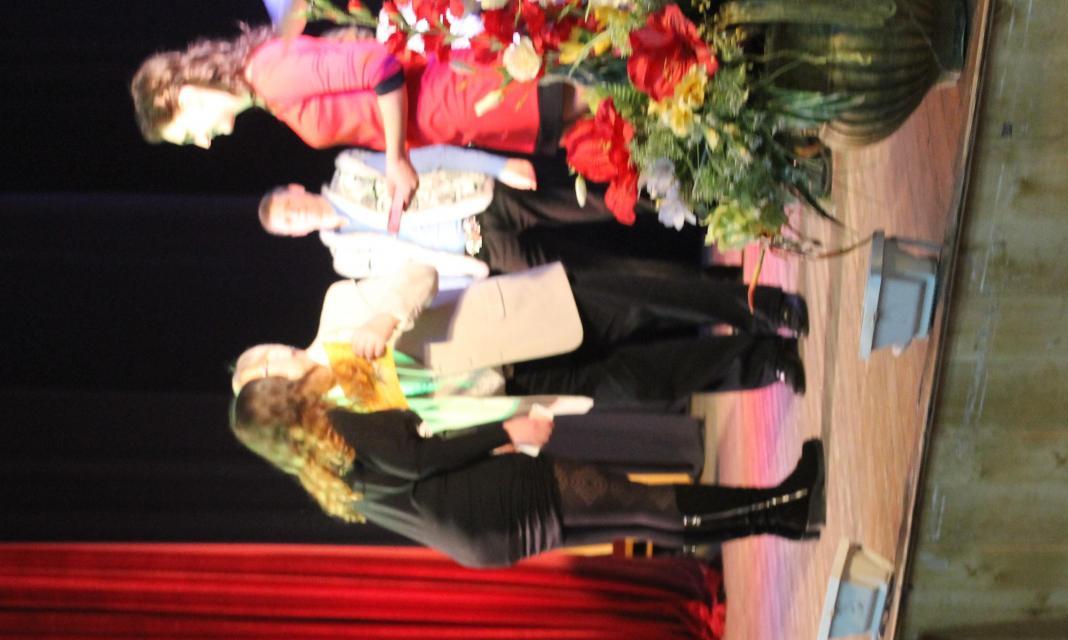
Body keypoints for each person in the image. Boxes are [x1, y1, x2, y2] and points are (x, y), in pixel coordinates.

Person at [230, 366, 827, 568]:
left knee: (641, 517)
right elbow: (421, 457)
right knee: (648, 505)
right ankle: (783, 505)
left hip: (483, 534)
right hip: (499, 500)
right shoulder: (338, 430)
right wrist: (506, 431)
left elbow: (418, 474)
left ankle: (784, 517)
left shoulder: (321, 472)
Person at [231, 260, 811, 423]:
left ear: (274, 350)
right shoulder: (344, 412)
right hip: (512, 387)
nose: (275, 372)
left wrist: (385, 318)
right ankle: (767, 362)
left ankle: (766, 307)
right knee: (650, 382)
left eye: (265, 366)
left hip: (518, 316)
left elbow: (419, 275)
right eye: (265, 384)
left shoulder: (338, 308)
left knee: (648, 303)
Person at [130, 25, 585, 217]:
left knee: (596, 90)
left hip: (465, 94)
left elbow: (379, 65)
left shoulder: (269, 73)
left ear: (189, 96)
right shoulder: (267, 92)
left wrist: (396, 159)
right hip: (464, 114)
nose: (203, 142)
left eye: (188, 134)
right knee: (598, 110)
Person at [260, 148, 709, 286]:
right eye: (289, 223)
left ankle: (699, 196)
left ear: (296, 189)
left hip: (484, 201)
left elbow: (427, 158)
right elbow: (414, 280)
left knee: (596, 201)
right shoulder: (346, 260)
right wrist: (474, 282)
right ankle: (704, 282)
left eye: (289, 207)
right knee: (597, 273)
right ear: (294, 235)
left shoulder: (349, 172)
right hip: (484, 254)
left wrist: (497, 166)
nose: (297, 215)